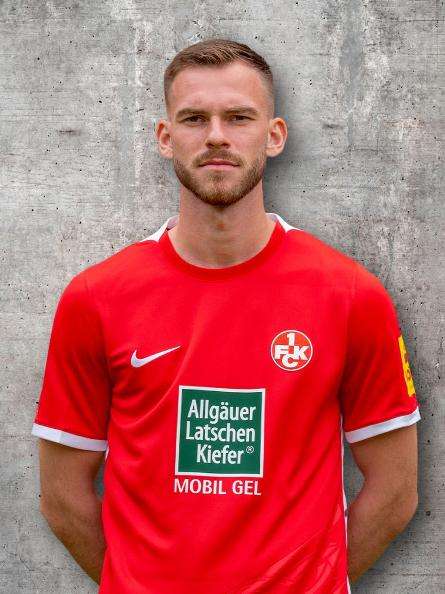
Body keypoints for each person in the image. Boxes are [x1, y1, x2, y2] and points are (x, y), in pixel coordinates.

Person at [31, 38, 421, 593]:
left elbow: (395, 491)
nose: (216, 135)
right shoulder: (96, 298)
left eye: (239, 117)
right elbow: (62, 497)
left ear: (274, 135)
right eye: (194, 118)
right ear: (165, 137)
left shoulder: (350, 295)